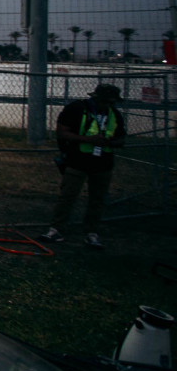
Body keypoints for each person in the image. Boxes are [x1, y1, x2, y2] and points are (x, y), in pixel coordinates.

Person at [41, 84, 127, 249]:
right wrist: (88, 140)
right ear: (95, 98)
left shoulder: (114, 115)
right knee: (68, 195)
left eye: (111, 102)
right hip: (77, 160)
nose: (107, 105)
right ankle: (56, 229)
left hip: (103, 163)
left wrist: (109, 142)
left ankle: (91, 232)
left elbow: (122, 139)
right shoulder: (77, 109)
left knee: (97, 199)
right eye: (104, 102)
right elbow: (62, 132)